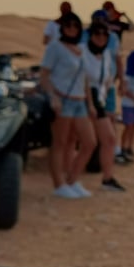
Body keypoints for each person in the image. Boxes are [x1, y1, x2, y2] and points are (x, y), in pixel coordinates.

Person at [39, 12, 97, 199]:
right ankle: (59, 184)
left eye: (75, 25)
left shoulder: (81, 48)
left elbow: (85, 79)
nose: (71, 29)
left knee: (88, 142)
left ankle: (72, 180)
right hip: (63, 100)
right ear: (62, 28)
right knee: (60, 143)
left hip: (79, 101)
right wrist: (52, 96)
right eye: (67, 25)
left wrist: (91, 103)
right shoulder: (55, 47)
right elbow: (44, 75)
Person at [82, 21, 127, 191]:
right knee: (76, 142)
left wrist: (113, 86)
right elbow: (83, 78)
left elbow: (107, 76)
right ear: (91, 35)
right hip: (81, 99)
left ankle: (107, 178)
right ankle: (68, 179)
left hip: (98, 99)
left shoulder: (106, 54)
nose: (101, 38)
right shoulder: (82, 52)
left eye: (104, 35)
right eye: (97, 34)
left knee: (108, 139)